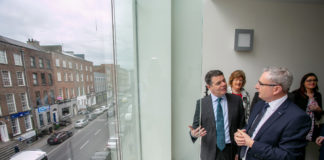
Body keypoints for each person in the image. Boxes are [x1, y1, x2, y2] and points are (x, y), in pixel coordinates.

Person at [234, 66, 311, 160]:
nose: (256, 86)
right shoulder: (259, 104)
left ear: (276, 89)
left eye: (261, 84)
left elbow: (287, 156)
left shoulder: (297, 118)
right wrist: (240, 135)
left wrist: (252, 144)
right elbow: (250, 128)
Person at [188, 70, 245, 160]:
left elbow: (242, 126)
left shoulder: (236, 100)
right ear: (209, 87)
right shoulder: (202, 104)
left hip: (231, 152)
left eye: (224, 80)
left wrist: (239, 152)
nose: (223, 84)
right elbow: (195, 128)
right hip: (209, 152)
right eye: (218, 83)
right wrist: (194, 134)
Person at [292, 73, 322, 142]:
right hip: (299, 125)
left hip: (313, 125)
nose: (312, 82)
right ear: (303, 82)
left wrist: (319, 110)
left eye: (314, 80)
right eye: (309, 80)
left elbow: (320, 114)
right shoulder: (295, 94)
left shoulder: (318, 95)